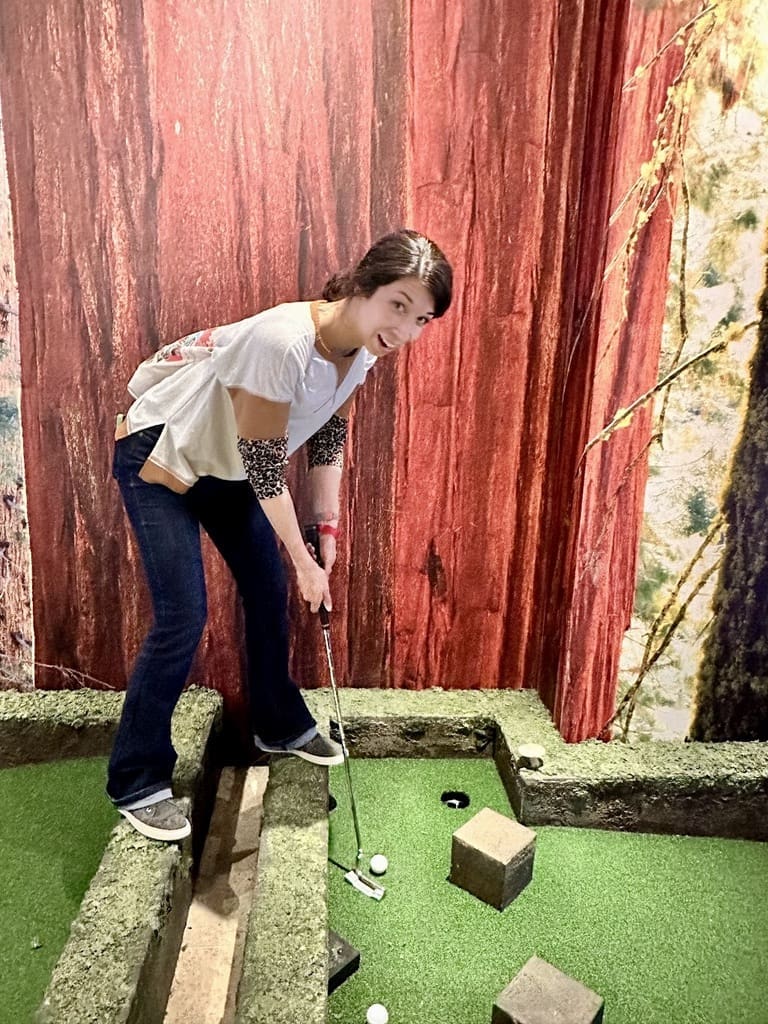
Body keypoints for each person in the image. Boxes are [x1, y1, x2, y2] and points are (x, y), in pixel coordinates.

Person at [107, 228, 453, 841]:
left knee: (267, 593)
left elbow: (326, 441)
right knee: (184, 615)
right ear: (364, 285)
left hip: (227, 468)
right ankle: (138, 780)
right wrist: (304, 561)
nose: (405, 330)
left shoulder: (364, 353)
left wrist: (326, 528)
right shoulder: (282, 341)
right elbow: (267, 468)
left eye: (421, 318)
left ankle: (278, 721)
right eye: (397, 305)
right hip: (161, 456)